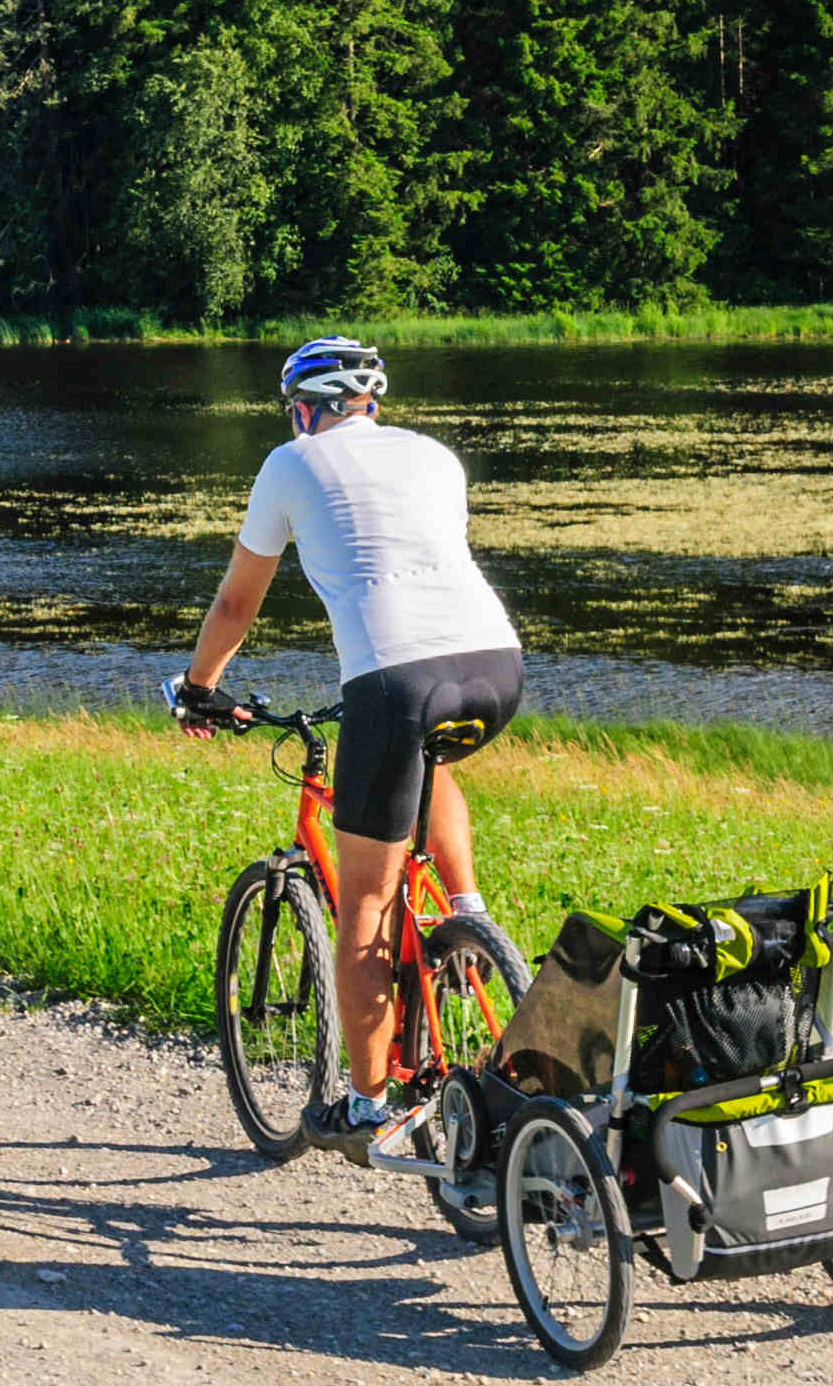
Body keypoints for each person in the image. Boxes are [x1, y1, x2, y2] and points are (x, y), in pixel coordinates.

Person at [167, 336, 524, 1155]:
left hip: (396, 681)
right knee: (429, 760)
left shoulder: (290, 464)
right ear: (372, 402)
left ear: (302, 408)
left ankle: (367, 1107)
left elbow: (234, 602)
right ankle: (470, 924)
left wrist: (197, 686)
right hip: (496, 665)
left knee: (364, 901)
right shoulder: (435, 457)